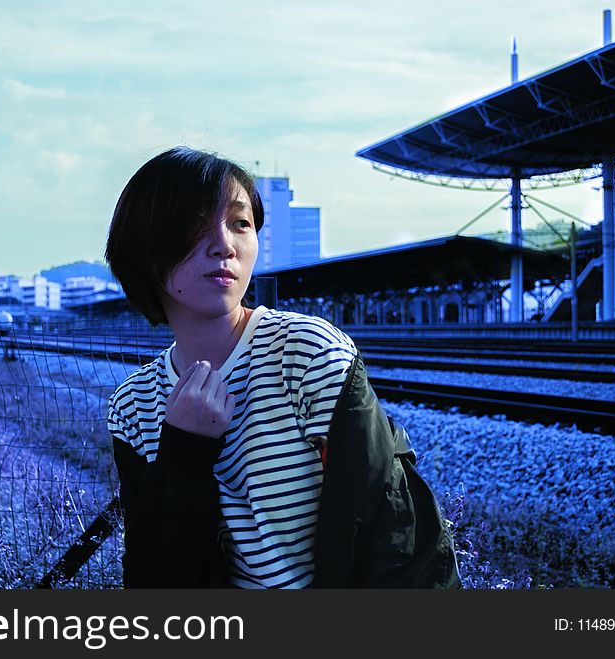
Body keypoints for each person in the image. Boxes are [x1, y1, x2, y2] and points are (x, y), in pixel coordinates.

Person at [105, 147, 459, 589]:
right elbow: (154, 577)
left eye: (240, 223)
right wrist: (182, 455)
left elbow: (395, 540)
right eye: (196, 223)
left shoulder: (307, 354)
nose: (224, 245)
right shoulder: (134, 406)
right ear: (143, 244)